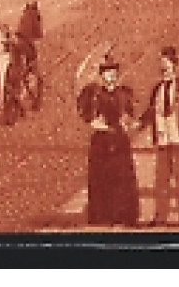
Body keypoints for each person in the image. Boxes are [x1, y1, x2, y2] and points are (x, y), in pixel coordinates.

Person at [140, 45, 179, 229]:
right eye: (161, 68)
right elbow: (151, 111)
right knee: (161, 180)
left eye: (167, 67)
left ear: (174, 66)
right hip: (162, 139)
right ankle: (160, 216)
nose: (164, 71)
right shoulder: (157, 89)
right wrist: (139, 123)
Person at [77, 54, 140, 226]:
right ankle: (102, 215)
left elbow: (130, 112)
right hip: (101, 139)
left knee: (122, 177)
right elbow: (86, 114)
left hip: (120, 139)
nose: (110, 75)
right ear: (101, 75)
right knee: (101, 177)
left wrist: (127, 122)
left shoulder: (124, 93)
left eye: (113, 72)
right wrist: (96, 122)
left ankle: (122, 215)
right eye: (107, 72)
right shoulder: (94, 94)